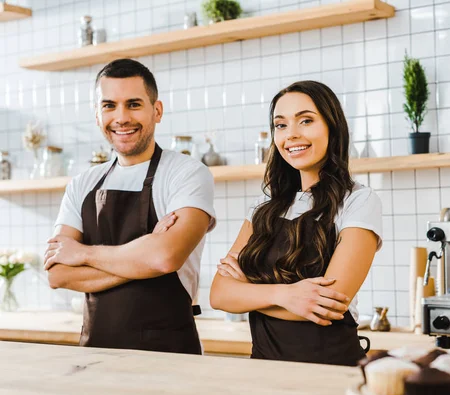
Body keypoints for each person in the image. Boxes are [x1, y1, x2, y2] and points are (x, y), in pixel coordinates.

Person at [44, 58, 216, 355]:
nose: (121, 117)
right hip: (94, 356)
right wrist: (144, 254)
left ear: (156, 111)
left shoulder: (187, 173)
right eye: (109, 105)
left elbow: (165, 258)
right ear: (97, 115)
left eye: (134, 104)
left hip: (170, 358)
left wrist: (83, 254)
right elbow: (58, 274)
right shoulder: (82, 184)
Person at [210, 80, 382, 366]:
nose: (291, 135)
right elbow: (219, 294)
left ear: (332, 126)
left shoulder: (358, 201)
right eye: (281, 125)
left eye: (305, 121)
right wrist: (287, 295)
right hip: (263, 370)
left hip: (330, 372)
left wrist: (249, 289)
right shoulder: (263, 207)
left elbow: (328, 304)